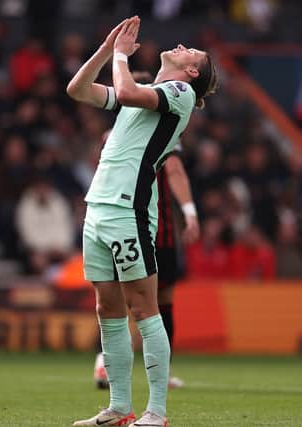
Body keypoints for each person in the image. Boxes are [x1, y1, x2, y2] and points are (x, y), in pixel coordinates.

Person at [67, 16, 216, 427]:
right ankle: (118, 408)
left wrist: (120, 56)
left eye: (192, 53)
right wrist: (105, 49)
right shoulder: (146, 94)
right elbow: (77, 90)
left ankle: (157, 413)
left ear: (190, 72)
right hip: (97, 208)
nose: (183, 45)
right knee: (107, 309)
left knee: (144, 308)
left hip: (129, 210)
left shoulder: (180, 93)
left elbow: (127, 88)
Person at [93, 138, 200, 391]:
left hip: (113, 219)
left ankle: (103, 363)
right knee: (160, 299)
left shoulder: (116, 130)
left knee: (113, 296)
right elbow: (173, 170)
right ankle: (162, 371)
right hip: (154, 226)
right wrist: (190, 212)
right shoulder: (167, 126)